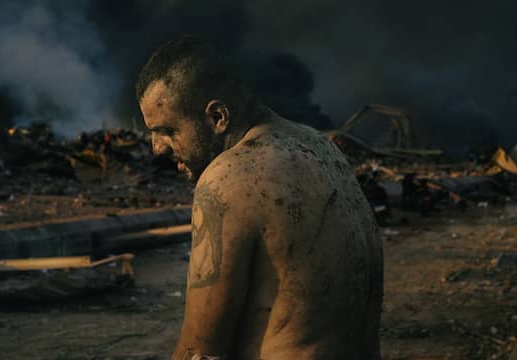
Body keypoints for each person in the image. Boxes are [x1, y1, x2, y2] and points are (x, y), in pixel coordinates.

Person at [136, 37, 383, 360]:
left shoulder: (227, 178)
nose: (158, 147)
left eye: (166, 130)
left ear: (217, 117)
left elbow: (202, 349)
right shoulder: (320, 147)